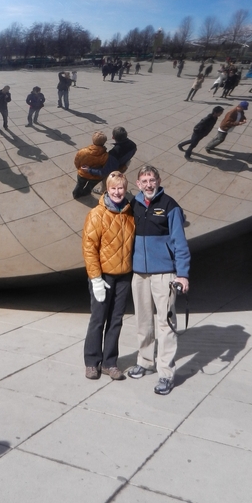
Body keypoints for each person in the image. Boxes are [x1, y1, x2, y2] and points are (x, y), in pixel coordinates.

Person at [128, 165, 190, 395]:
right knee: (143, 321)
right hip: (139, 274)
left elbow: (180, 242)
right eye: (144, 181)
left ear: (159, 181)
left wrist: (182, 274)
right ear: (138, 184)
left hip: (164, 273)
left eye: (152, 180)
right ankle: (145, 361)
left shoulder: (170, 206)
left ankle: (166, 373)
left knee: (165, 324)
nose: (148, 184)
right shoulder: (133, 205)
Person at [82, 171, 135, 380]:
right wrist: (95, 279)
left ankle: (110, 362)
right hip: (103, 276)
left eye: (121, 188)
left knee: (116, 320)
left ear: (125, 188)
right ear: (107, 189)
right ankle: (92, 362)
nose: (117, 192)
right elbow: (89, 248)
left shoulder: (130, 213)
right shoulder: (97, 214)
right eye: (113, 188)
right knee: (98, 319)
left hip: (123, 276)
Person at [82, 127, 138, 192]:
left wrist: (89, 170)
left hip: (115, 169)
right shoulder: (133, 145)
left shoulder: (114, 153)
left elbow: (104, 171)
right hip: (124, 165)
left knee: (105, 179)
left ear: (113, 137)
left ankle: (102, 190)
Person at [73, 131, 109, 199]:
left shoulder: (83, 151)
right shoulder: (105, 155)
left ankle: (76, 195)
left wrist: (79, 168)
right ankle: (85, 193)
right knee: (90, 186)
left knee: (79, 185)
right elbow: (104, 168)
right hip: (95, 177)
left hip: (83, 173)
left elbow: (76, 161)